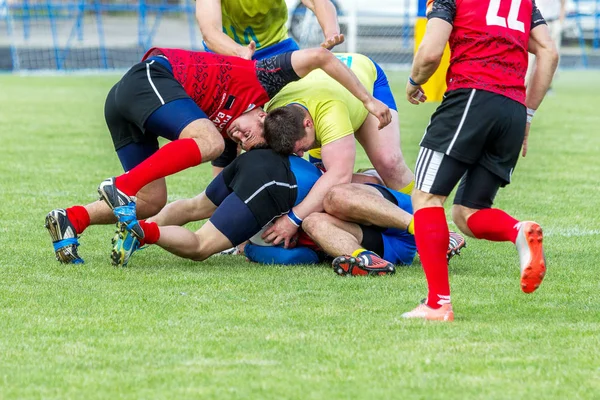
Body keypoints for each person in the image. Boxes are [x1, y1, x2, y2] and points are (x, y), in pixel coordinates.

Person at [45, 47, 391, 264]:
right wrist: (367, 100)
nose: (242, 139)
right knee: (206, 141)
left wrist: (235, 235)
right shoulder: (264, 80)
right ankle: (121, 185)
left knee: (151, 201)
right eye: (253, 134)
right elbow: (321, 57)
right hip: (150, 76)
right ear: (263, 115)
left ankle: (73, 219)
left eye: (248, 143)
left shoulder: (225, 133)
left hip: (124, 104)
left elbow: (218, 190)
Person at [401, 0, 559, 321]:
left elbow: (431, 52)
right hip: (512, 109)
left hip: (472, 96)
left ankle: (437, 303)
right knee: (468, 212)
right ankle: (518, 231)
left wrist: (415, 81)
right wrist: (527, 114)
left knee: (427, 197)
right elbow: (549, 52)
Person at [226, 53, 415, 248]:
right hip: (318, 93)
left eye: (301, 148)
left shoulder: (331, 114)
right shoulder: (274, 118)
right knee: (319, 187)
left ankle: (425, 218)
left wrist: (292, 219)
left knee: (388, 162)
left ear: (309, 124)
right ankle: (370, 184)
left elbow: (339, 177)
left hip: (363, 79)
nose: (300, 155)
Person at [196, 0, 344, 176]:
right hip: (228, 56)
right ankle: (223, 196)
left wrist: (331, 32)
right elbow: (210, 32)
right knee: (230, 135)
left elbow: (318, 2)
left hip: (277, 50)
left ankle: (312, 176)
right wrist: (239, 52)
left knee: (298, 117)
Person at [110, 148, 323, 266]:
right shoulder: (318, 243)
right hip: (273, 181)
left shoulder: (330, 190)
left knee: (194, 206)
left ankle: (139, 229)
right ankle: (141, 231)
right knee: (201, 246)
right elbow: (289, 256)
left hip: (255, 158)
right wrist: (247, 247)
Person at [526, 0, 565, 87]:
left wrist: (560, 23)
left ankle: (548, 85)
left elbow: (563, 5)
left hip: (553, 22)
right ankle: (526, 82)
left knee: (552, 54)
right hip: (536, 24)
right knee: (531, 57)